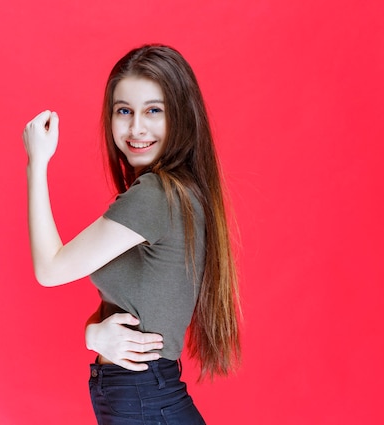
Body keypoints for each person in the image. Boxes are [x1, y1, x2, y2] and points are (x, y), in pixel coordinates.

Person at [23, 44, 240, 425]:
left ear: (181, 118)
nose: (136, 127)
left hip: (144, 402)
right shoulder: (179, 192)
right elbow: (138, 305)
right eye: (124, 111)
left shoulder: (157, 195)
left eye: (153, 111)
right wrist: (93, 335)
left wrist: (36, 163)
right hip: (145, 399)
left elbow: (49, 270)